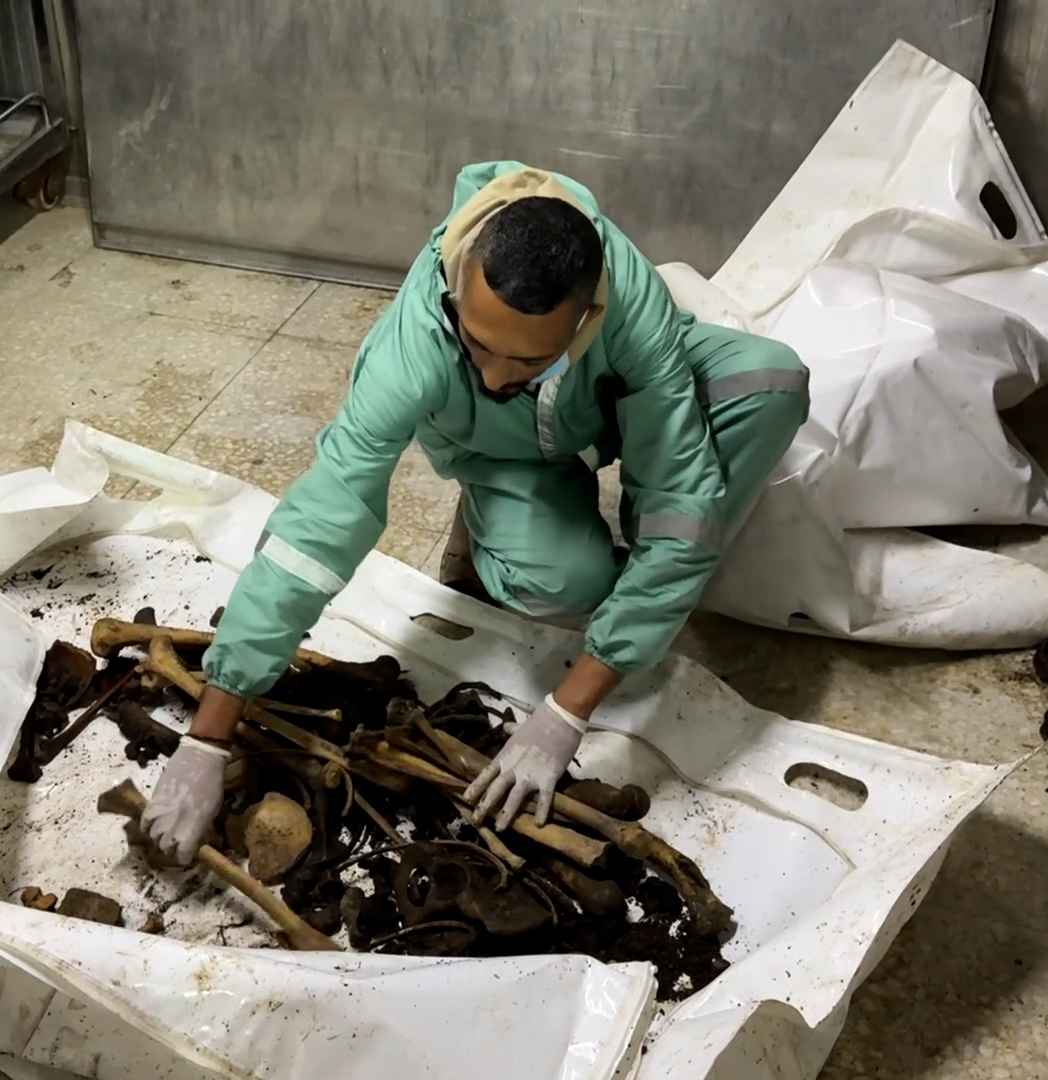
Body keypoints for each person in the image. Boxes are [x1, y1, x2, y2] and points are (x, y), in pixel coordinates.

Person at [140, 162, 809, 864]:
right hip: (506, 448)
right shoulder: (413, 348)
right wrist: (209, 732)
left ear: (587, 316)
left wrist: (567, 710)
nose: (492, 377)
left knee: (768, 381)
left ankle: (647, 585)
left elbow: (682, 496)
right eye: (477, 344)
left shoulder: (629, 304)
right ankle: (504, 520)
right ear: (457, 287)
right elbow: (320, 521)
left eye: (526, 359)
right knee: (565, 584)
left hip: (601, 401)